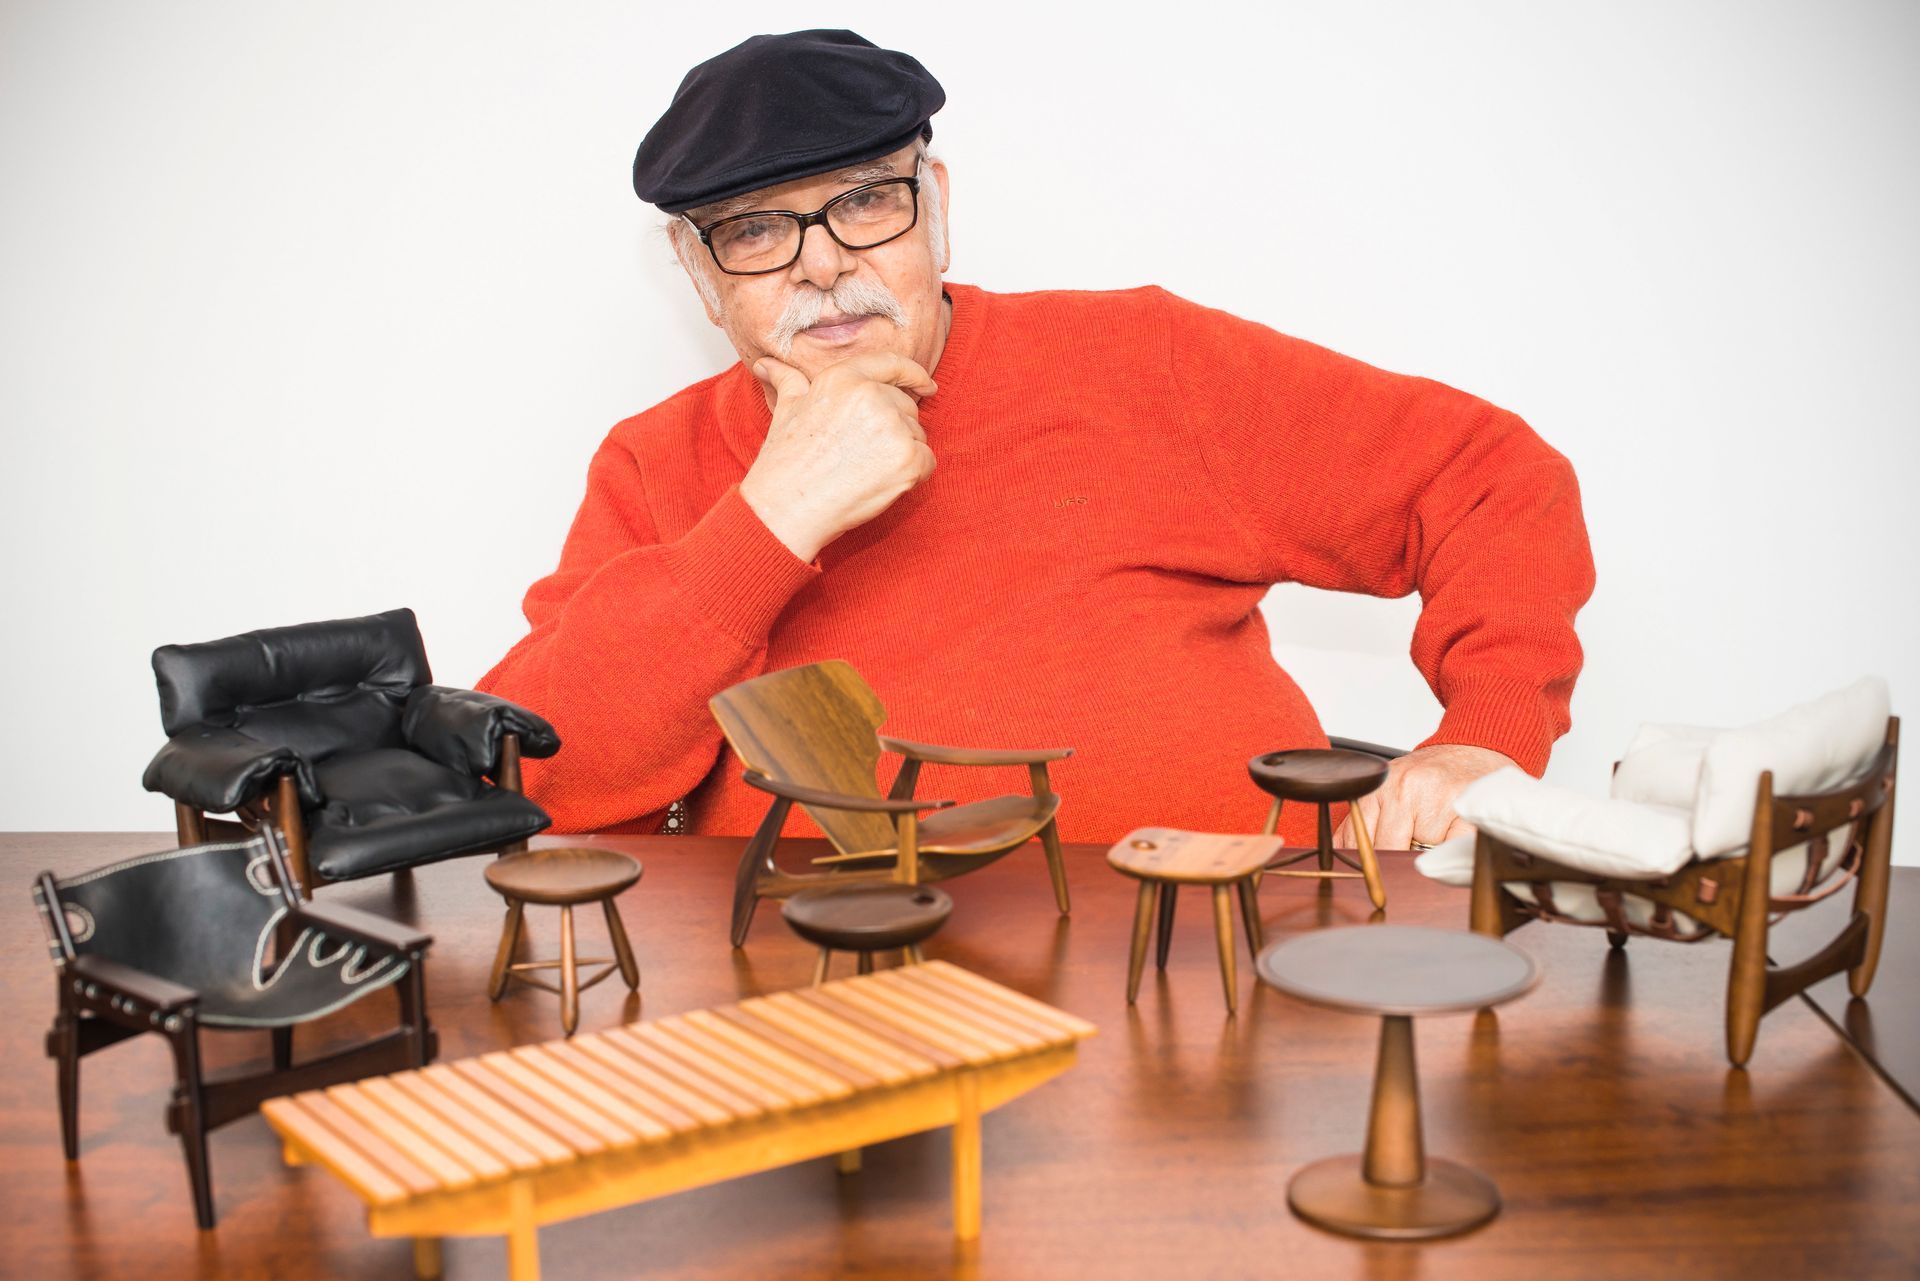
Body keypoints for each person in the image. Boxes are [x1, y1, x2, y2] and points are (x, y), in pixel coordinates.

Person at [477, 29, 1595, 852]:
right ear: (696, 270)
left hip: (1210, 977)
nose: (823, 265)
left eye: (867, 203)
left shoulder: (1143, 363)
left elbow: (1490, 480)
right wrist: (775, 517)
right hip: (821, 1003)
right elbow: (551, 775)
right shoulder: (654, 465)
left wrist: (1485, 735)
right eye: (759, 230)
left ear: (939, 203)